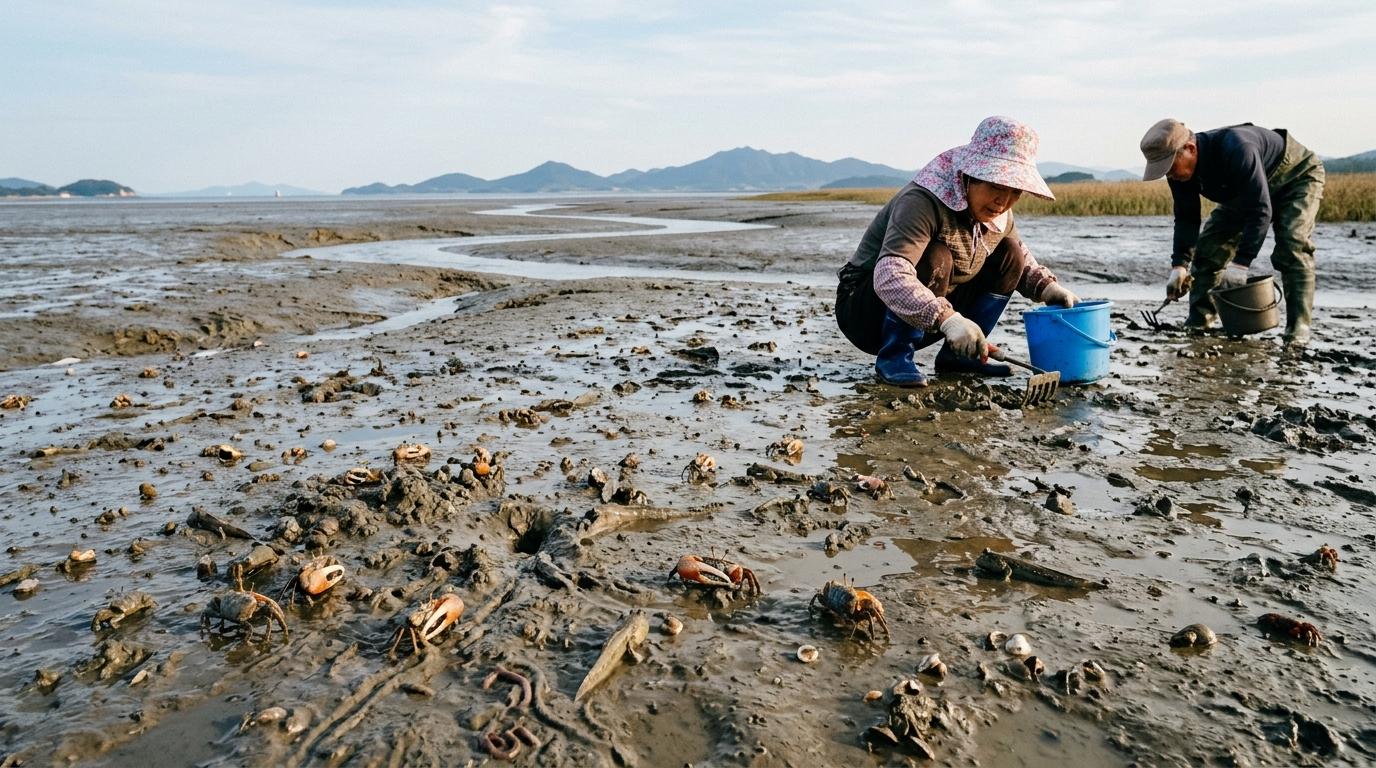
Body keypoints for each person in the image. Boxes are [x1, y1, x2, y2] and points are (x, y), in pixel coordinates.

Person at [835, 116, 1079, 387]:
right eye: (996, 186)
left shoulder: (1000, 212)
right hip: (866, 311)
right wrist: (947, 319)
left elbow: (1020, 254)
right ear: (969, 176)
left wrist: (1046, 287)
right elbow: (890, 274)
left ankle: (962, 355)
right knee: (936, 256)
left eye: (1015, 192)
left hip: (931, 311)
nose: (1004, 200)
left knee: (1012, 255)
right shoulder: (922, 200)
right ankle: (894, 357)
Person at [1139, 119, 1324, 345]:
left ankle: (1298, 330)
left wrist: (1241, 264)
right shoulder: (1179, 174)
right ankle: (1199, 322)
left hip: (1296, 177)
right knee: (1208, 250)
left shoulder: (1237, 148)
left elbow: (1260, 210)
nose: (1169, 175)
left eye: (1169, 167)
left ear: (1190, 149)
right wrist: (1179, 265)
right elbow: (1187, 217)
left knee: (1292, 245)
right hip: (1243, 190)